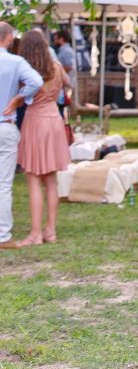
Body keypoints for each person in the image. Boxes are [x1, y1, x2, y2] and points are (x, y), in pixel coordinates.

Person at [15, 29, 71, 246]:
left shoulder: (27, 70)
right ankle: (51, 231)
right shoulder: (55, 67)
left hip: (36, 121)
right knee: (50, 180)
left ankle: (36, 233)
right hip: (54, 121)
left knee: (33, 178)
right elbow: (68, 83)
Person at [0, 22, 42, 249]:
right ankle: (2, 235)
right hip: (5, 124)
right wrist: (19, 98)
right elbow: (36, 81)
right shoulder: (15, 61)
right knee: (3, 183)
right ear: (8, 38)